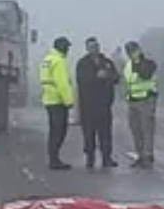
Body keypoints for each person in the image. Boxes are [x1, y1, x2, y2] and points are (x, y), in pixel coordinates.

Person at [74, 37, 122, 169]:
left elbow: (117, 78)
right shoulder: (82, 63)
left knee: (105, 134)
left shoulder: (107, 62)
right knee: (89, 134)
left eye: (95, 46)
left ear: (98, 47)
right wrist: (96, 77)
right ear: (87, 48)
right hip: (88, 106)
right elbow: (82, 80)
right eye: (90, 47)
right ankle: (90, 158)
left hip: (104, 105)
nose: (93, 49)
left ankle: (107, 158)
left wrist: (107, 75)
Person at [39, 36, 76, 170]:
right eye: (67, 47)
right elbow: (62, 84)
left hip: (48, 99)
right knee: (60, 131)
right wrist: (69, 101)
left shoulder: (47, 60)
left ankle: (53, 158)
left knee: (54, 130)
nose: (68, 50)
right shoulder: (59, 61)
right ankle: (54, 160)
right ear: (62, 47)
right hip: (58, 100)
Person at [123, 41, 159, 168]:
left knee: (147, 129)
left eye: (133, 50)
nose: (130, 53)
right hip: (132, 100)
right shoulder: (127, 65)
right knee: (135, 129)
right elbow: (127, 82)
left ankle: (148, 155)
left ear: (138, 50)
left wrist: (138, 61)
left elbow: (145, 74)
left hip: (146, 99)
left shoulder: (148, 63)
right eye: (128, 51)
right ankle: (140, 155)